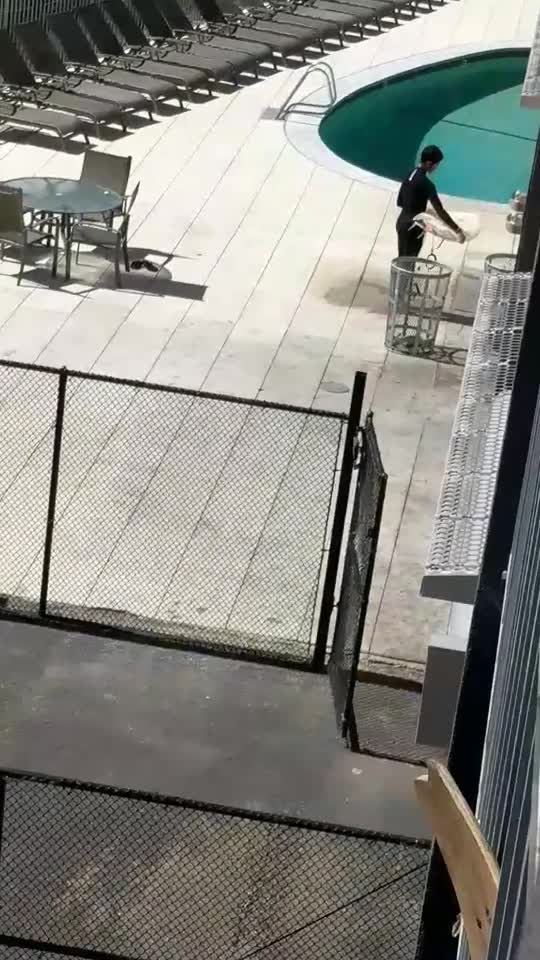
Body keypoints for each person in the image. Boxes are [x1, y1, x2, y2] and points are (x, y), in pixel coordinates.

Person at [396, 145, 466, 256]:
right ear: (429, 164)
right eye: (436, 165)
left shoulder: (409, 174)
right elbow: (440, 211)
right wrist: (457, 230)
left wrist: (415, 206)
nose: (436, 168)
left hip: (401, 223)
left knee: (401, 261)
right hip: (415, 228)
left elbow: (400, 201)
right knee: (409, 263)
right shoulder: (427, 184)